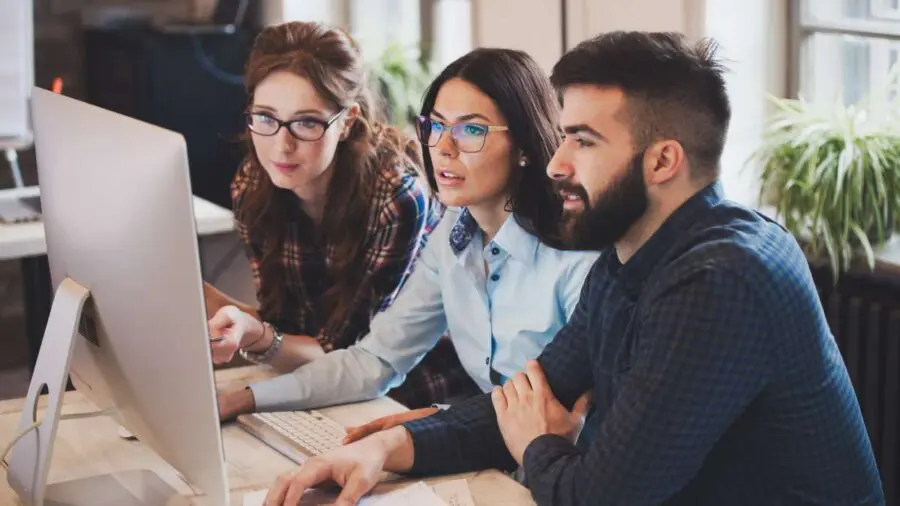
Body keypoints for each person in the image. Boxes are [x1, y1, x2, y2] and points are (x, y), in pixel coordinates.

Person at [260, 31, 885, 506]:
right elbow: (533, 390)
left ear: (662, 160)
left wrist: (536, 442)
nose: (556, 162)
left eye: (583, 140)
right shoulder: (631, 251)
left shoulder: (722, 279)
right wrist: (384, 449)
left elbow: (598, 495)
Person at [219, 47, 599, 431]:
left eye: (471, 130)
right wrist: (247, 399)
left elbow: (562, 414)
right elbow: (375, 361)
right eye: (435, 127)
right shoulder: (453, 235)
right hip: (497, 448)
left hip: (562, 469)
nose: (443, 149)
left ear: (523, 146)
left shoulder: (577, 260)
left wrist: (418, 431)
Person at [205, 21, 470, 417]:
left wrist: (254, 334)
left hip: (407, 397)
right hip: (318, 388)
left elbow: (350, 359)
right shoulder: (253, 185)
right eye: (265, 117)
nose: (282, 144)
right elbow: (288, 326)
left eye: (307, 122)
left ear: (347, 121)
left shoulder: (396, 197)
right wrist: (211, 304)